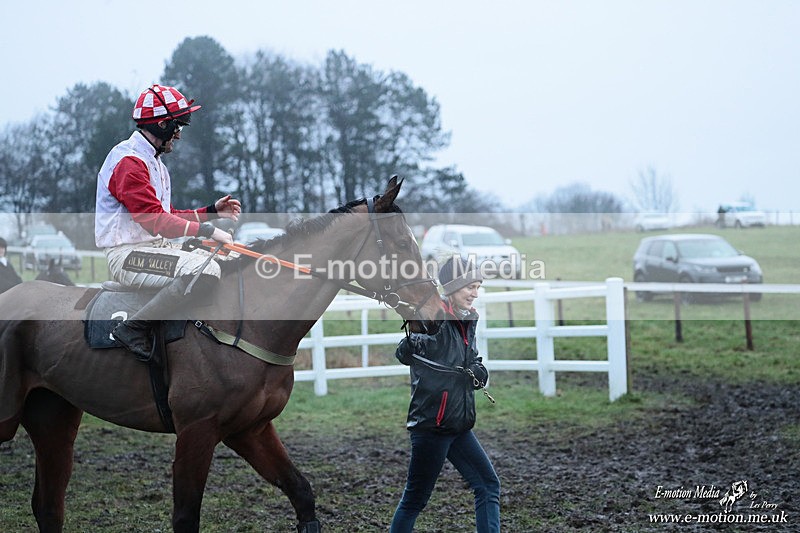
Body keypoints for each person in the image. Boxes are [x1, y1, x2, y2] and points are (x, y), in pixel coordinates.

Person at [95, 84, 241, 359]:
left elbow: (168, 214)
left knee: (227, 262)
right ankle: (133, 328)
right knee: (206, 272)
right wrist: (208, 229)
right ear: (162, 125)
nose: (179, 134)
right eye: (178, 126)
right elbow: (154, 220)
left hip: (154, 249)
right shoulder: (129, 162)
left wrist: (211, 211)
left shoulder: (154, 163)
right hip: (128, 256)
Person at [390, 256, 500, 533]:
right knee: (415, 500)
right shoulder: (434, 318)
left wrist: (478, 371)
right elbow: (407, 351)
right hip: (432, 427)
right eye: (469, 287)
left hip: (459, 423)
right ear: (451, 288)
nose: (475, 293)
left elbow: (470, 359)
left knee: (488, 485)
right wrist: (413, 342)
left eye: (478, 287)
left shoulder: (468, 318)